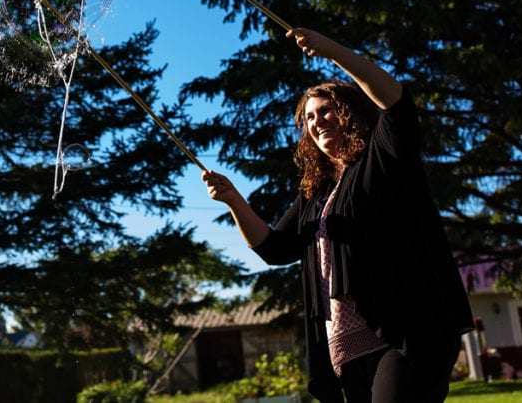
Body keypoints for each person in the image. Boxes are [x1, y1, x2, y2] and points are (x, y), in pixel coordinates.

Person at [202, 28, 473, 403]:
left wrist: (331, 51)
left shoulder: (385, 158)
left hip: (406, 331)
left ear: (351, 111)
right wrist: (234, 200)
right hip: (347, 345)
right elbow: (274, 248)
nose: (318, 121)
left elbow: (396, 105)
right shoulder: (317, 192)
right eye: (310, 117)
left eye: (326, 109)